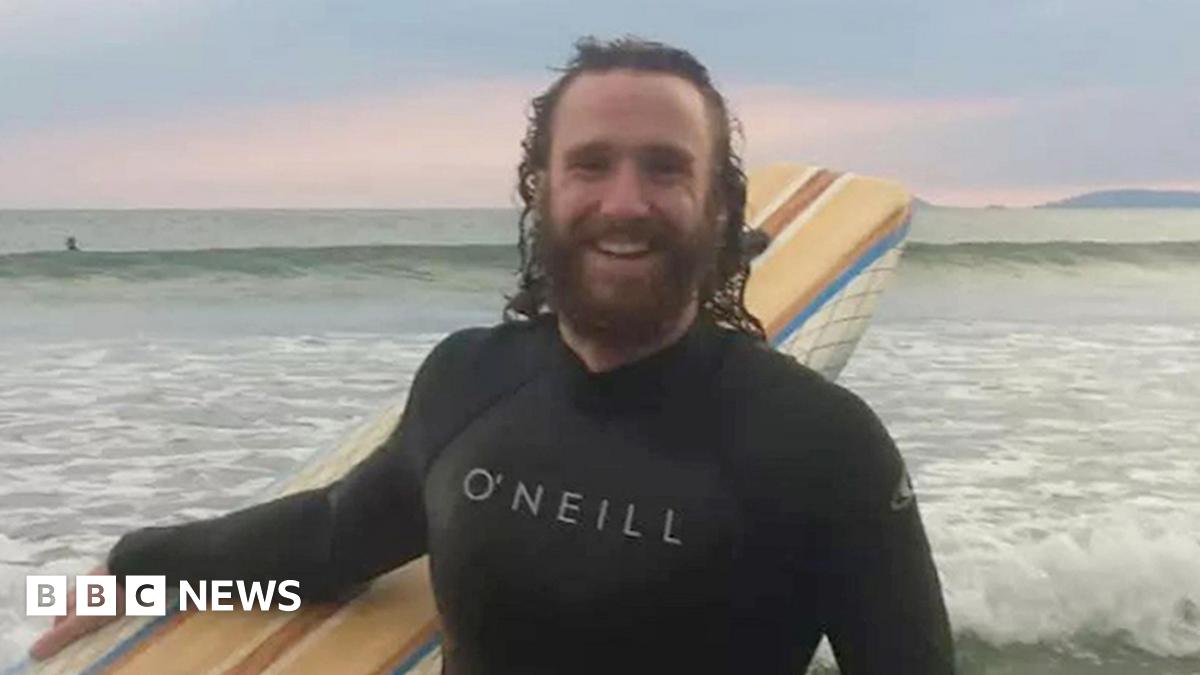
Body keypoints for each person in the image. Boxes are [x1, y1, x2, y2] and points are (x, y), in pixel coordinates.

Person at [31, 37, 956, 674]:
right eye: (591, 164)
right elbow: (335, 536)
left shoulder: (822, 443)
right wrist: (141, 566)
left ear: (718, 206)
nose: (624, 202)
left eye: (665, 168)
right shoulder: (471, 381)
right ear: (540, 191)